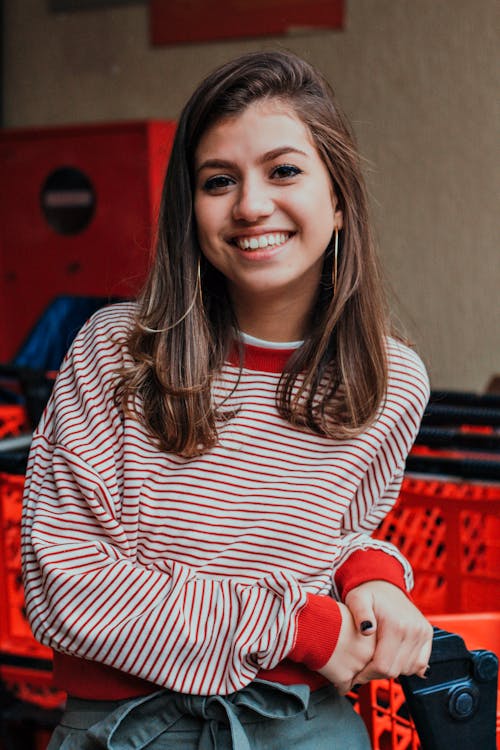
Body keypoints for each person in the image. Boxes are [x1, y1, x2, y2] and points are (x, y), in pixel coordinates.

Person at [21, 50, 433, 749]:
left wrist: (375, 573)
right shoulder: (115, 351)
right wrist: (298, 627)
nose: (250, 204)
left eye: (284, 171)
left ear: (338, 201)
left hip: (306, 727)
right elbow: (67, 588)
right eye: (219, 180)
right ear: (191, 210)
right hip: (128, 732)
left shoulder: (392, 382)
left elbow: (321, 540)